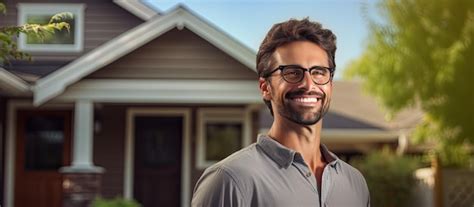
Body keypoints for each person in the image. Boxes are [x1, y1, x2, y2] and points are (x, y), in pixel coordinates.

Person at [192, 18, 370, 207]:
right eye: (292, 72)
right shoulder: (230, 181)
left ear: (330, 85)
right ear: (265, 87)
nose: (309, 85)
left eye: (319, 72)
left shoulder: (355, 184)